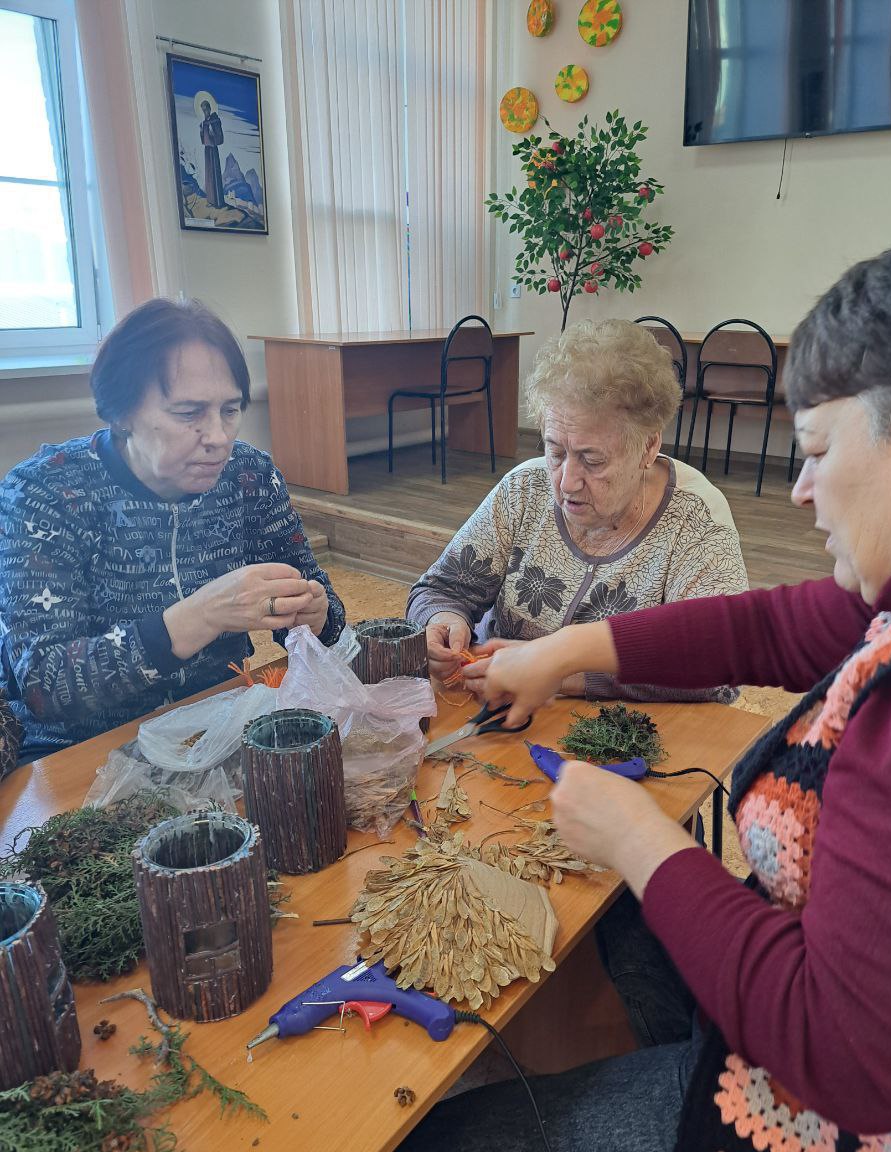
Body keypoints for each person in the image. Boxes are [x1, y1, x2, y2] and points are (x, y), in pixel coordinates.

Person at [384, 229, 891, 1152]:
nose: (796, 488)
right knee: (645, 928)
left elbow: (851, 1060)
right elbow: (774, 626)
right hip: (859, 1038)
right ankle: (670, 1069)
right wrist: (569, 649)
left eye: (822, 450)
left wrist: (642, 835)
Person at [0, 298, 346, 759]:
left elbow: (322, 616)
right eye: (189, 413)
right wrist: (198, 617)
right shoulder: (47, 492)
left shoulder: (248, 476)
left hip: (217, 727)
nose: (219, 437)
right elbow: (43, 686)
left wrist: (317, 619)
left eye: (230, 409)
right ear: (120, 412)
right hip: (81, 753)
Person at [407, 319, 748, 703]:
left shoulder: (696, 522)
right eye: (555, 451)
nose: (566, 482)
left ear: (649, 447)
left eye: (592, 459)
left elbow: (719, 667)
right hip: (498, 709)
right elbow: (440, 588)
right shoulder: (525, 489)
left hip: (622, 732)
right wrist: (442, 621)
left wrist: (564, 675)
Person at [200, 99, 225, 208]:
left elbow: (220, 138)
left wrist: (212, 132)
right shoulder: (204, 122)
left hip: (213, 150)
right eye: (203, 110)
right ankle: (211, 200)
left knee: (214, 174)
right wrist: (202, 131)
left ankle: (218, 202)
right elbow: (203, 140)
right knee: (209, 175)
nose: (205, 111)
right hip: (207, 150)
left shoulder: (215, 120)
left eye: (206, 109)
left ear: (210, 109)